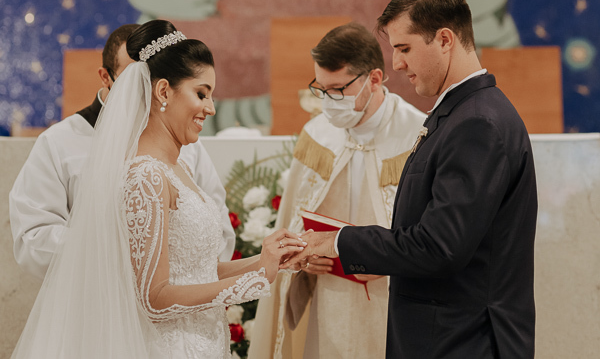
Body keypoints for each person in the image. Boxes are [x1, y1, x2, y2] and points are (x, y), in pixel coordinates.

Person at [11, 20, 306, 359]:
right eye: (201, 93)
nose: (211, 108)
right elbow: (154, 299)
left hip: (204, 341)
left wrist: (268, 261)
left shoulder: (178, 165)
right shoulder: (145, 176)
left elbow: (197, 268)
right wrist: (254, 281)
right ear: (163, 91)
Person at [287, 0, 537, 359]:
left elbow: (440, 246)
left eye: (404, 48)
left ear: (445, 40)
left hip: (463, 341)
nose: (397, 64)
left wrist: (339, 242)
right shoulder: (458, 114)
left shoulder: (478, 123)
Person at [249, 22, 426, 359]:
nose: (327, 101)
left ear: (374, 79)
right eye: (321, 88)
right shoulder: (318, 136)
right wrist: (303, 258)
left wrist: (392, 262)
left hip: (393, 298)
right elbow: (292, 223)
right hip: (328, 298)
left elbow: (429, 236)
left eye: (338, 90)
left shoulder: (415, 136)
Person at [10, 24, 235, 279]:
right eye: (133, 76)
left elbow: (218, 228)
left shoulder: (188, 147)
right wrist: (132, 248)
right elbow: (33, 240)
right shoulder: (58, 143)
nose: (144, 87)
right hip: (95, 300)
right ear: (106, 77)